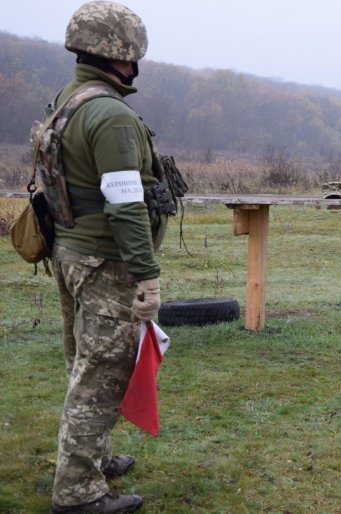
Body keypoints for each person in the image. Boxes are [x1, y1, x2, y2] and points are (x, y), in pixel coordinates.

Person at [46, 2, 170, 512]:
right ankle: (77, 493)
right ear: (123, 52)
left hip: (72, 252)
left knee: (84, 364)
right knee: (100, 377)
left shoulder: (71, 98)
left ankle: (92, 456)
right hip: (104, 262)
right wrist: (146, 275)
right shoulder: (111, 115)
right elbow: (125, 205)